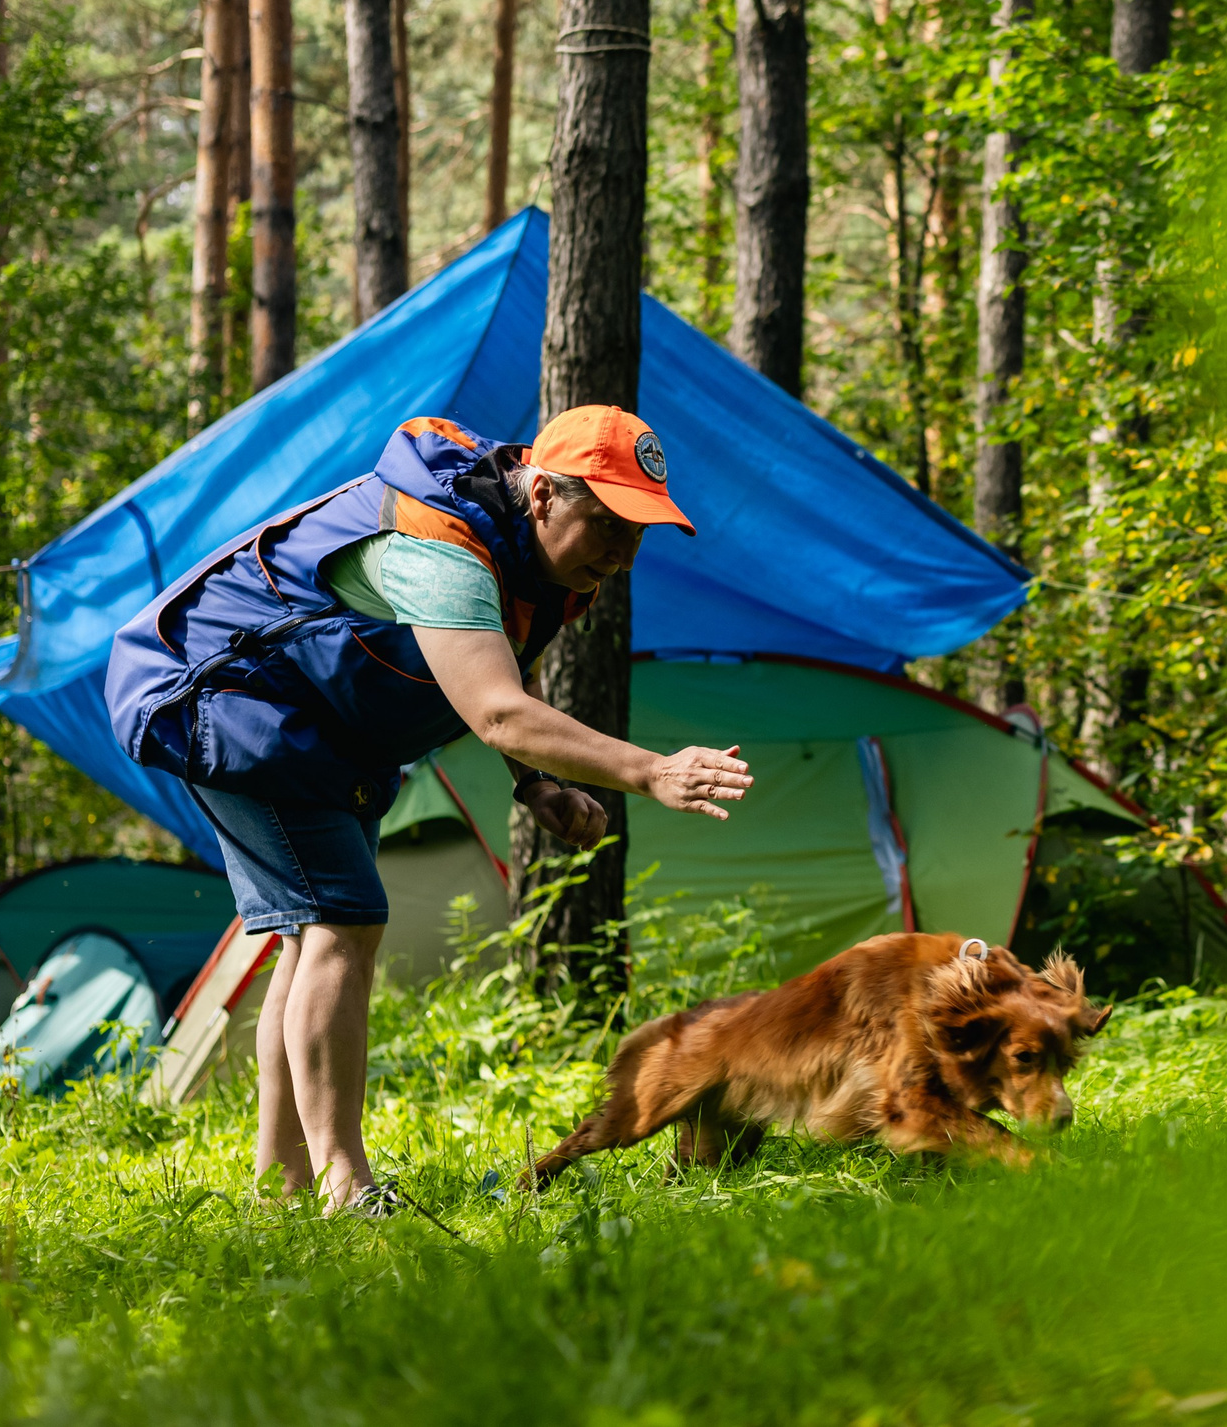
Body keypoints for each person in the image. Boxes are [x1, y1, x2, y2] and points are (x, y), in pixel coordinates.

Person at [106, 406, 754, 1212]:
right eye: (608, 522)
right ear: (546, 496)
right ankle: (345, 1185)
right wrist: (651, 770)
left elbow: (489, 666)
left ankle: (282, 1186)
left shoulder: (538, 560)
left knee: (311, 935)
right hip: (214, 691)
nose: (623, 554)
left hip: (307, 715)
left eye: (640, 532)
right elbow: (497, 710)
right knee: (343, 921)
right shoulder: (439, 544)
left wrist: (534, 782)